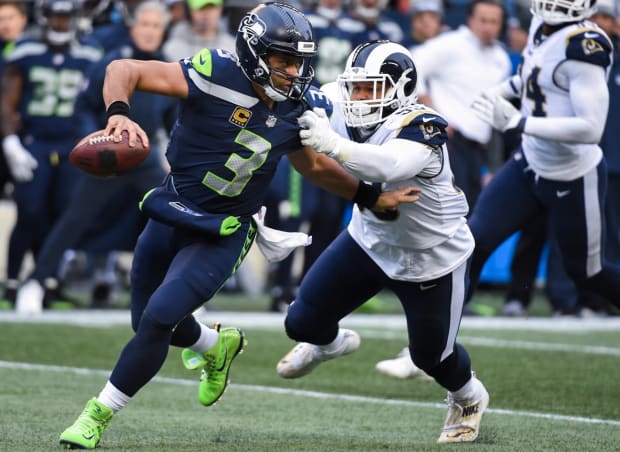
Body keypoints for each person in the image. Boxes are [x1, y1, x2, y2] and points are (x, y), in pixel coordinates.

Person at [58, 3, 416, 449]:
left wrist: (370, 196)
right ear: (253, 54)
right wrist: (119, 112)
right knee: (146, 322)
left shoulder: (299, 107)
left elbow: (317, 168)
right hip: (172, 208)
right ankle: (215, 345)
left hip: (224, 230)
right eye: (283, 60)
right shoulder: (212, 71)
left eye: (299, 61)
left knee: (158, 319)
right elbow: (124, 67)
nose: (293, 72)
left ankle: (97, 414)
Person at [276, 40, 489, 444]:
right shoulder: (343, 96)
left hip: (431, 257)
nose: (357, 97)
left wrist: (332, 144)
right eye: (354, 87)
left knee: (432, 358)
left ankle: (469, 397)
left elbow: (390, 164)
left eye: (369, 89)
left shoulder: (423, 125)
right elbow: (297, 101)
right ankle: (331, 345)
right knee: (301, 321)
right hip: (370, 240)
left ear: (403, 88)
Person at [15, 0, 176, 312]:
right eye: (144, 24)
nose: (149, 31)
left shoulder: (169, 66)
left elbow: (174, 118)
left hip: (147, 159)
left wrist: (173, 152)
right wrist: (99, 140)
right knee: (74, 220)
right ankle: (35, 282)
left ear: (163, 31)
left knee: (174, 217)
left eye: (156, 26)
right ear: (133, 27)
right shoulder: (115, 62)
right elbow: (86, 105)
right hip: (109, 156)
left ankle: (179, 290)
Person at [468, 0, 620, 311]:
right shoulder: (540, 25)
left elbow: (591, 128)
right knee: (471, 243)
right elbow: (530, 78)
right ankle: (434, 349)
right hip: (529, 162)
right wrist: (495, 93)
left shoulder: (586, 45)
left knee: (589, 273)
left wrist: (519, 122)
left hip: (573, 174)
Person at [1, 0, 101, 312]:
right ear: (44, 18)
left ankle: (51, 283)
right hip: (36, 142)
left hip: (74, 145)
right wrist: (10, 142)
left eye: (65, 17)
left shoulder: (90, 54)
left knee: (64, 214)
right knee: (30, 211)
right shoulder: (24, 51)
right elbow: (7, 101)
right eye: (56, 17)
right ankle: (13, 281)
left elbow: (98, 100)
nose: (60, 24)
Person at [412, 0, 511, 210]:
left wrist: (494, 165)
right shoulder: (451, 44)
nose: (488, 27)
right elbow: (413, 65)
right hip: (448, 141)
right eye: (483, 20)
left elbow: (494, 111)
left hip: (478, 147)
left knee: (470, 211)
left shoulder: (501, 59)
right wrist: (432, 113)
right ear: (470, 20)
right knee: (449, 211)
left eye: (494, 22)